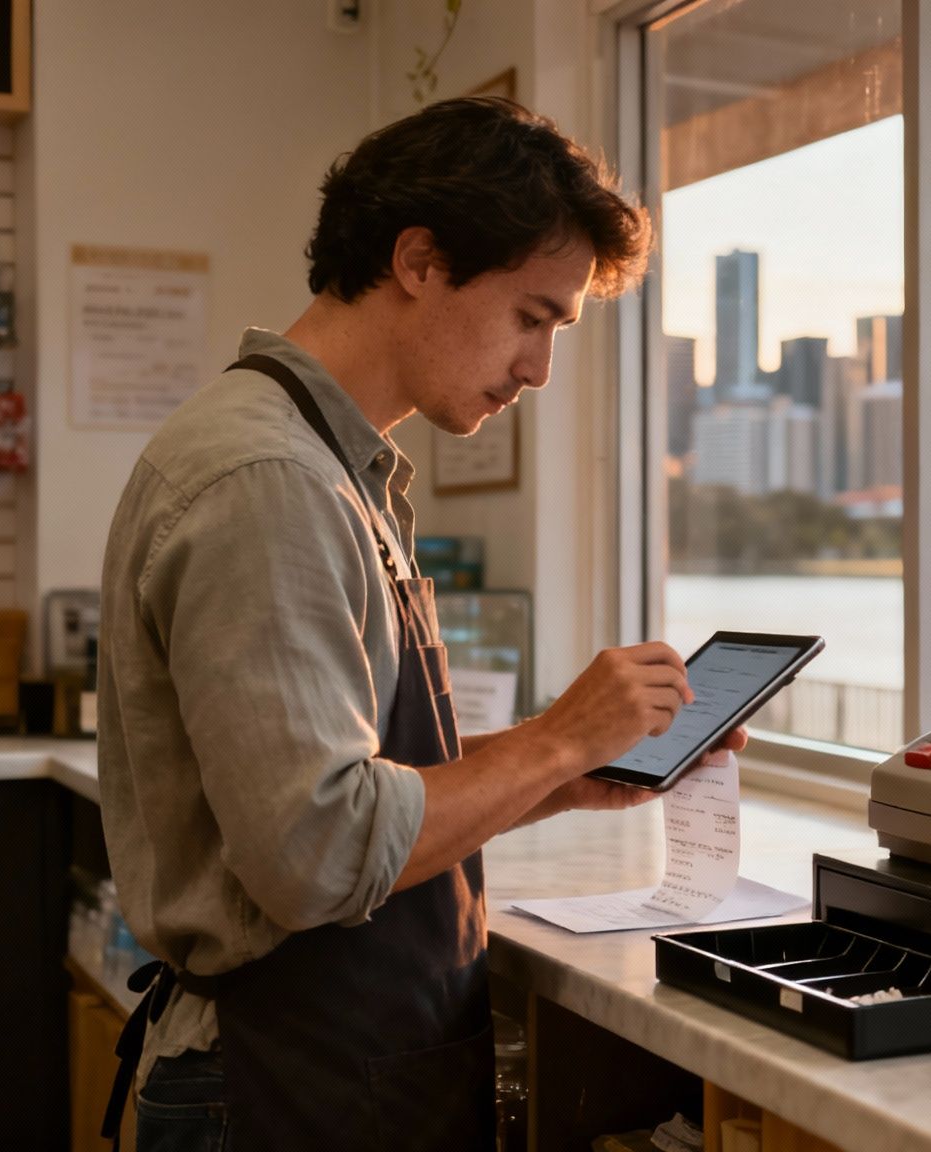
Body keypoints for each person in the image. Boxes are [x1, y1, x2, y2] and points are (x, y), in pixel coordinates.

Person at [96, 96, 739, 1151]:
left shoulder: (333, 468)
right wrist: (557, 735)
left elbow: (356, 781)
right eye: (531, 316)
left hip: (333, 1067)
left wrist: (556, 777)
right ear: (420, 261)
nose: (537, 369)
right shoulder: (269, 480)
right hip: (273, 1084)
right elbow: (315, 853)